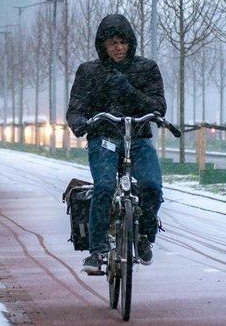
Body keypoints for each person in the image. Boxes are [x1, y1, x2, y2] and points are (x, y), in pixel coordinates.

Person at [66, 14, 167, 275]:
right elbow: (76, 107)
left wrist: (128, 90)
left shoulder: (146, 69)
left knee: (152, 186)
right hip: (104, 139)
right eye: (112, 43)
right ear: (103, 45)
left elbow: (158, 107)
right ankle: (97, 249)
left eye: (122, 42)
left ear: (131, 43)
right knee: (104, 186)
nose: (118, 48)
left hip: (138, 138)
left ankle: (144, 234)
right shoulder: (89, 72)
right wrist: (79, 123)